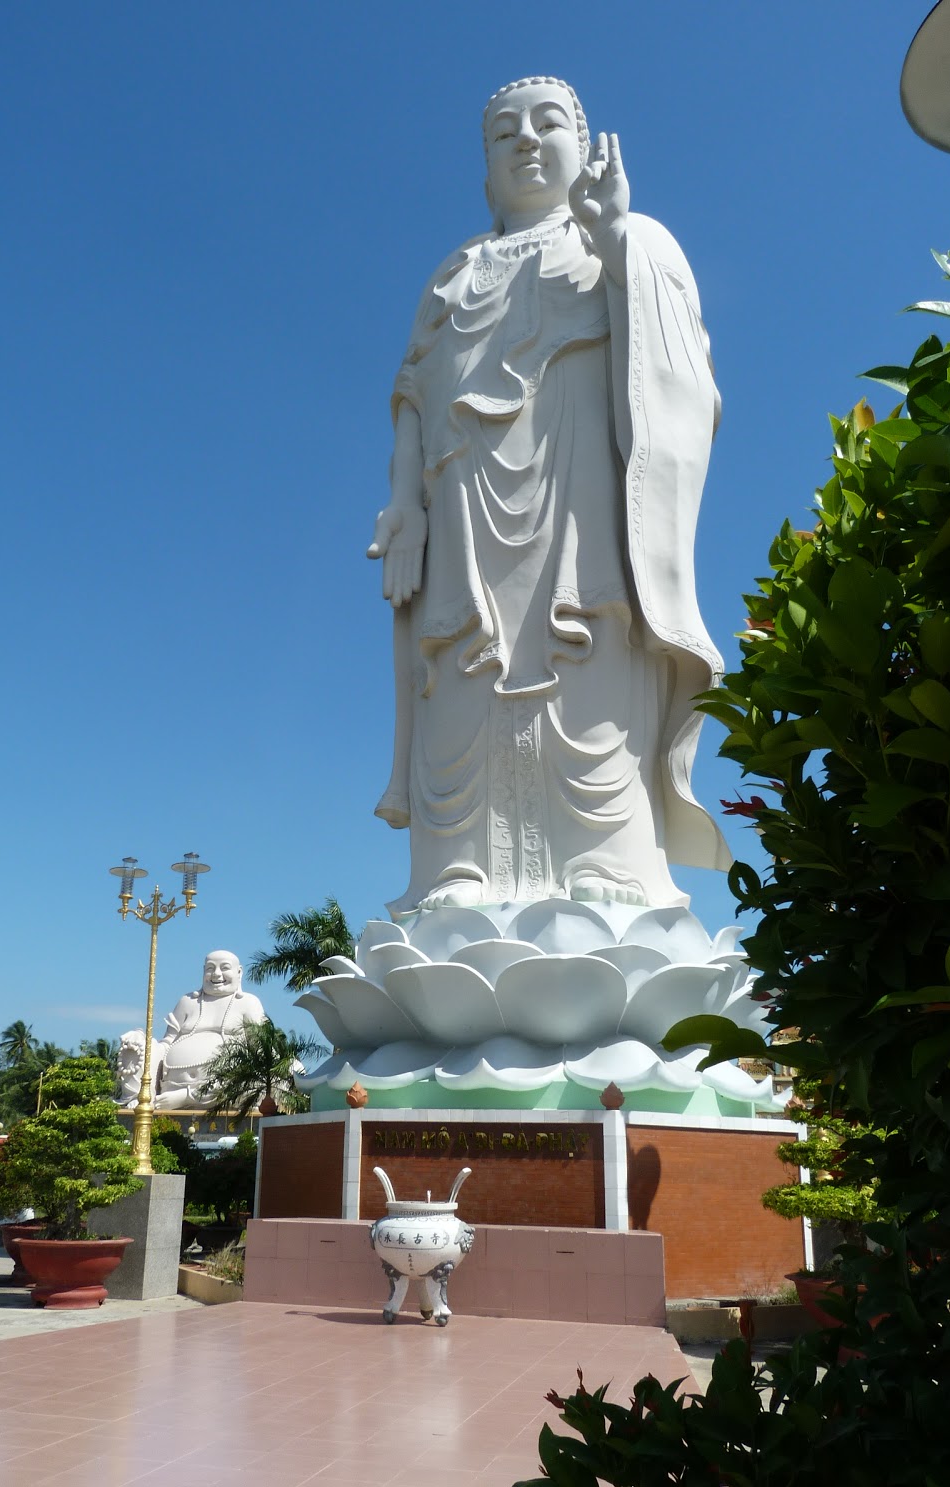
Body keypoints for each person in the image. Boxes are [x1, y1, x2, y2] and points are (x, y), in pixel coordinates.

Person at [368, 76, 730, 916]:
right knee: (460, 670)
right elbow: (415, 397)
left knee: (592, 658)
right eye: (504, 133)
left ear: (585, 142)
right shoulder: (453, 274)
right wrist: (403, 503)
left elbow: (683, 380)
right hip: (461, 516)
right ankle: (454, 869)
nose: (526, 140)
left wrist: (617, 250)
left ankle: (609, 862)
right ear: (486, 172)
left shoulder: (626, 242)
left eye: (548, 123)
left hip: (582, 506)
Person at [152, 952, 266, 1111]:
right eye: (210, 968)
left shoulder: (248, 1003)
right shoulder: (188, 1001)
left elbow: (259, 1048)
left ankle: (186, 1097)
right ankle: (139, 1101)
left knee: (253, 1086)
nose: (216, 974)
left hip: (228, 1088)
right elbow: (167, 1042)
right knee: (144, 1045)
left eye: (224, 968)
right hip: (171, 1088)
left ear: (239, 972)